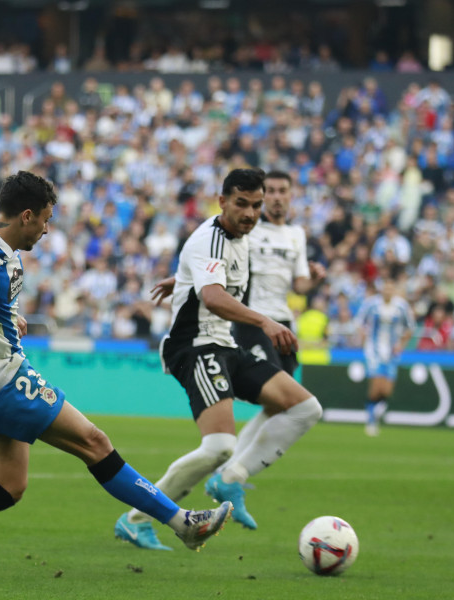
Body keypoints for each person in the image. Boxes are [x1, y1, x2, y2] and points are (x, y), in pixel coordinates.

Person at [0, 171, 232, 567]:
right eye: (45, 219)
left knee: (8, 486)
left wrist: (9, 316)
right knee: (95, 443)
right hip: (2, 379)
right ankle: (184, 523)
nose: (46, 229)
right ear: (26, 215)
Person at [113, 168, 322, 549]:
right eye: (242, 204)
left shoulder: (241, 237)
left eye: (256, 206)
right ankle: (136, 518)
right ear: (222, 201)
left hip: (224, 344)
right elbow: (212, 296)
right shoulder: (209, 236)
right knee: (218, 446)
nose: (250, 213)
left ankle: (232, 477)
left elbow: (210, 279)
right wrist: (265, 321)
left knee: (305, 408)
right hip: (193, 347)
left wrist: (181, 278)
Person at [356, 280, 415, 437]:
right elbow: (359, 322)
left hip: (392, 352)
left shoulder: (401, 306)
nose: (388, 291)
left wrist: (401, 344)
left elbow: (410, 328)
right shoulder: (371, 304)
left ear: (394, 290)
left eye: (391, 288)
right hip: (373, 351)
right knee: (376, 387)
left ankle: (376, 410)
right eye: (385, 288)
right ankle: (371, 421)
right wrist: (363, 340)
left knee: (387, 390)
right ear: (381, 290)